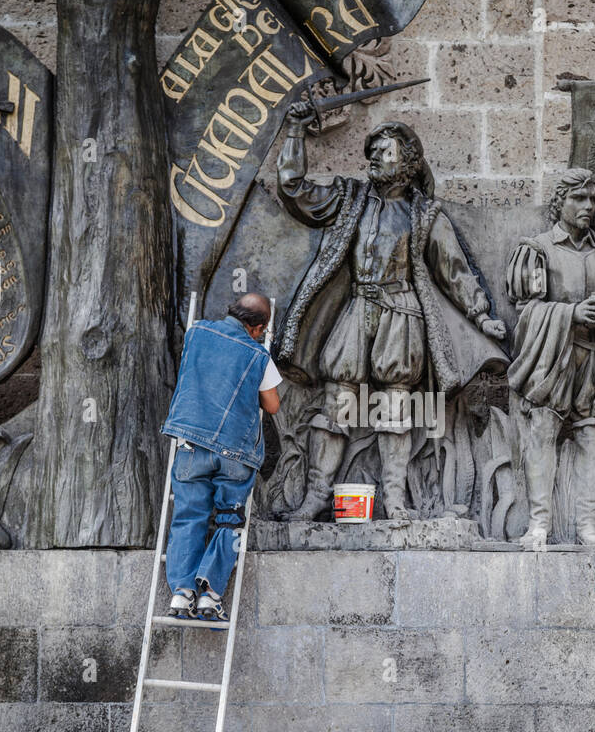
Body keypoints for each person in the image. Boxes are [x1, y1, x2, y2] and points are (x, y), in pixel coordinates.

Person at [274, 102, 507, 521]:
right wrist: (294, 131)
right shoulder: (349, 198)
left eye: (385, 151)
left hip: (402, 312)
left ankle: (395, 499)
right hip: (357, 307)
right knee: (337, 403)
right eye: (373, 150)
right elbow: (294, 190)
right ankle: (315, 497)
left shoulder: (424, 214)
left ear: (408, 162)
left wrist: (480, 314)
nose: (374, 157)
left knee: (396, 407)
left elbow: (454, 270)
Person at [506, 167, 595, 546]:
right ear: (559, 203)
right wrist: (571, 313)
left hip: (594, 358)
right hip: (552, 357)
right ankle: (539, 524)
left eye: (593, 199)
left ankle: (587, 526)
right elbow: (526, 310)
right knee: (542, 432)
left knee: (592, 440)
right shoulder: (536, 250)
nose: (588, 206)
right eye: (578, 198)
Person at [161, 293, 281, 622]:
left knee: (187, 517)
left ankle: (182, 594)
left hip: (191, 445)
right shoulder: (258, 355)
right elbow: (272, 406)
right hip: (234, 452)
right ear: (258, 328)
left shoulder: (196, 333)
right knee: (229, 520)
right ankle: (210, 595)